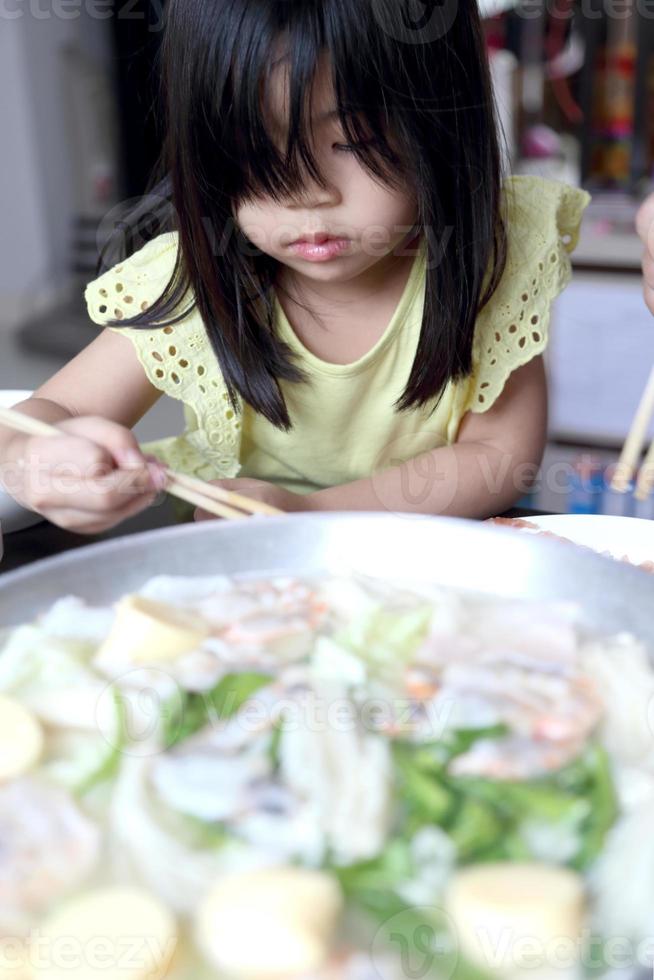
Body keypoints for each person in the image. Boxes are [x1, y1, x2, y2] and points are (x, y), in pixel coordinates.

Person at [0, 0, 591, 533]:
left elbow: (498, 457)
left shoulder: (490, 254)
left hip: (428, 557)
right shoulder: (197, 280)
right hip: (244, 570)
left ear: (441, 125)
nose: (304, 195)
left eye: (354, 141)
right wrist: (36, 461)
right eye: (253, 149)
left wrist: (309, 515)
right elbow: (43, 418)